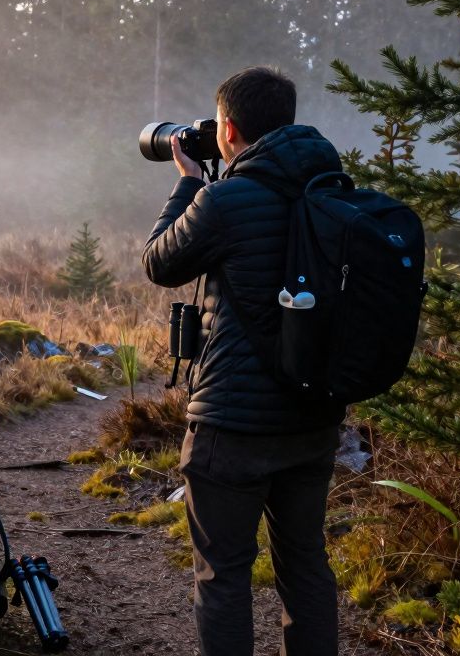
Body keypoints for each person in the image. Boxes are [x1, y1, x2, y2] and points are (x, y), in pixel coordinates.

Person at [141, 66, 346, 656]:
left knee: (224, 573)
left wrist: (188, 183)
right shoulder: (332, 193)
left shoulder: (225, 200)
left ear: (228, 129)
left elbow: (159, 262)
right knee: (306, 566)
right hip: (313, 420)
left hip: (232, 424)